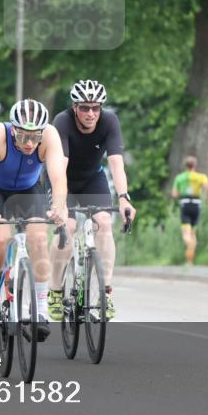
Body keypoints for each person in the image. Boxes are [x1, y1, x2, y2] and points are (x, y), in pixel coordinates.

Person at [0, 98, 67, 340]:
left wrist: (58, 206)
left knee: (38, 238)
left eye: (35, 137)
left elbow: (58, 179)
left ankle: (41, 310)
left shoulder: (50, 135)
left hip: (28, 190)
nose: (29, 143)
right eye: (24, 136)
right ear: (13, 129)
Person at [47, 80, 136, 322]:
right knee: (68, 226)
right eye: (85, 108)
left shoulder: (110, 121)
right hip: (62, 179)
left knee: (104, 223)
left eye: (95, 108)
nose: (91, 113)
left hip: (92, 179)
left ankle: (105, 293)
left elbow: (116, 163)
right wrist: (60, 204)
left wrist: (124, 198)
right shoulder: (62, 122)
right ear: (74, 107)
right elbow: (60, 166)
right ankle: (55, 290)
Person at [170, 155, 208, 266]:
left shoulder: (179, 178)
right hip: (196, 205)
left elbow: (174, 194)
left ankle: (189, 249)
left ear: (185, 166)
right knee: (193, 233)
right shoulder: (201, 177)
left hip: (185, 204)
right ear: (195, 165)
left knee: (186, 234)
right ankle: (189, 260)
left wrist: (180, 195)